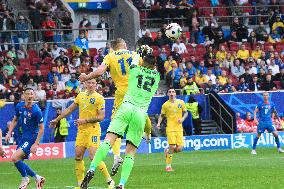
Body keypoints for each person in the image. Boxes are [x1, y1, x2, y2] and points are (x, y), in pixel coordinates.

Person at [80, 54, 160, 189]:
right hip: (140, 113)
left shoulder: (135, 70)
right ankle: (121, 184)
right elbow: (153, 68)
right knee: (130, 153)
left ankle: (92, 169)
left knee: (108, 140)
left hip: (126, 107)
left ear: (143, 62)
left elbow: (134, 60)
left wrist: (139, 53)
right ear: (153, 65)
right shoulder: (156, 77)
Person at [50, 79, 114, 189]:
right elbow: (70, 109)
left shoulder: (99, 98)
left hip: (93, 130)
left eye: (93, 83)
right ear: (85, 84)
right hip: (81, 131)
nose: (91, 85)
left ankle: (109, 181)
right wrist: (57, 119)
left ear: (96, 85)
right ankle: (81, 184)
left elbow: (101, 116)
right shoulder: (80, 96)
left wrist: (85, 121)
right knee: (78, 156)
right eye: (89, 83)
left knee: (93, 156)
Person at [4, 88, 45, 189]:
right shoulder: (19, 106)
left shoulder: (36, 110)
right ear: (24, 96)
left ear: (34, 96)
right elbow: (15, 119)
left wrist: (36, 144)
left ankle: (25, 179)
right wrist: (9, 132)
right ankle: (38, 177)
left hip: (31, 138)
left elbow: (41, 128)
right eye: (28, 94)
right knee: (18, 161)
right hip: (24, 137)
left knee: (14, 157)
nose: (30, 96)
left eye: (32, 94)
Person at [156, 88, 188, 172]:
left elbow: (186, 112)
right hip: (170, 128)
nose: (171, 93)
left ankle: (167, 151)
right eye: (169, 92)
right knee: (172, 146)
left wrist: (182, 119)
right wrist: (159, 123)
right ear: (167, 94)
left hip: (179, 128)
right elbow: (162, 115)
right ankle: (168, 166)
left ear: (175, 94)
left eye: (173, 92)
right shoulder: (165, 105)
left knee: (179, 148)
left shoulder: (181, 102)